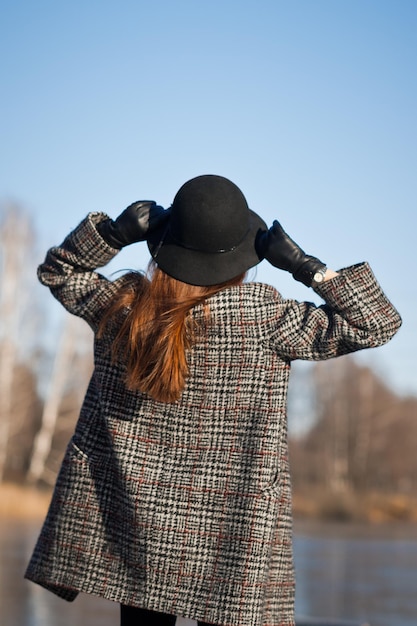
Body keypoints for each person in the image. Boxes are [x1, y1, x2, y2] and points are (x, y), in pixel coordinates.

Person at [25, 174, 401, 626]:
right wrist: (308, 267)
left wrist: (113, 233)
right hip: (232, 539)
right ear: (246, 253)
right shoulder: (263, 318)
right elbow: (377, 323)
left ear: (164, 241)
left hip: (137, 533)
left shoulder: (124, 308)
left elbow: (58, 272)